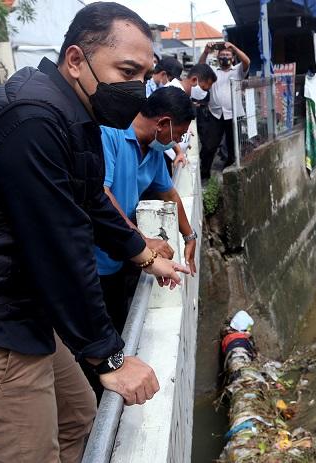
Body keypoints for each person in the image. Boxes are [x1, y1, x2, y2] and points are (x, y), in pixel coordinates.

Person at [0, 3, 187, 462]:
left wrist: (144, 255)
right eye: (127, 70)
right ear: (76, 60)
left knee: (80, 418)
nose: (137, 89)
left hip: (18, 313)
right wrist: (109, 357)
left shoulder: (71, 113)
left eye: (145, 75)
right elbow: (61, 243)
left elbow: (91, 198)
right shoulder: (33, 118)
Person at [88, 86, 198, 399]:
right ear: (163, 123)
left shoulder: (152, 154)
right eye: (178, 133)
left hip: (120, 260)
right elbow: (102, 194)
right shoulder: (109, 135)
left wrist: (189, 235)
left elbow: (170, 194)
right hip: (91, 260)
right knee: (96, 341)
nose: (177, 141)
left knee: (120, 327)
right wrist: (143, 239)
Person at [197, 41, 250, 180]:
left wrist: (233, 47)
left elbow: (246, 61)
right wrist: (206, 51)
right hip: (216, 114)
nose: (225, 57)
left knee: (233, 147)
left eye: (228, 55)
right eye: (222, 55)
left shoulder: (238, 70)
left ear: (232, 58)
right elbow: (200, 67)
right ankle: (204, 173)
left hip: (234, 114)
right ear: (218, 58)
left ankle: (230, 171)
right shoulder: (213, 71)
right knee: (209, 145)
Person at [163, 63, 219, 172]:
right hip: (164, 154)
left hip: (170, 153)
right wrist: (179, 150)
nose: (204, 93)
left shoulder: (183, 95)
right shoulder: (173, 94)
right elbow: (165, 128)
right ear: (194, 80)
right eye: (203, 88)